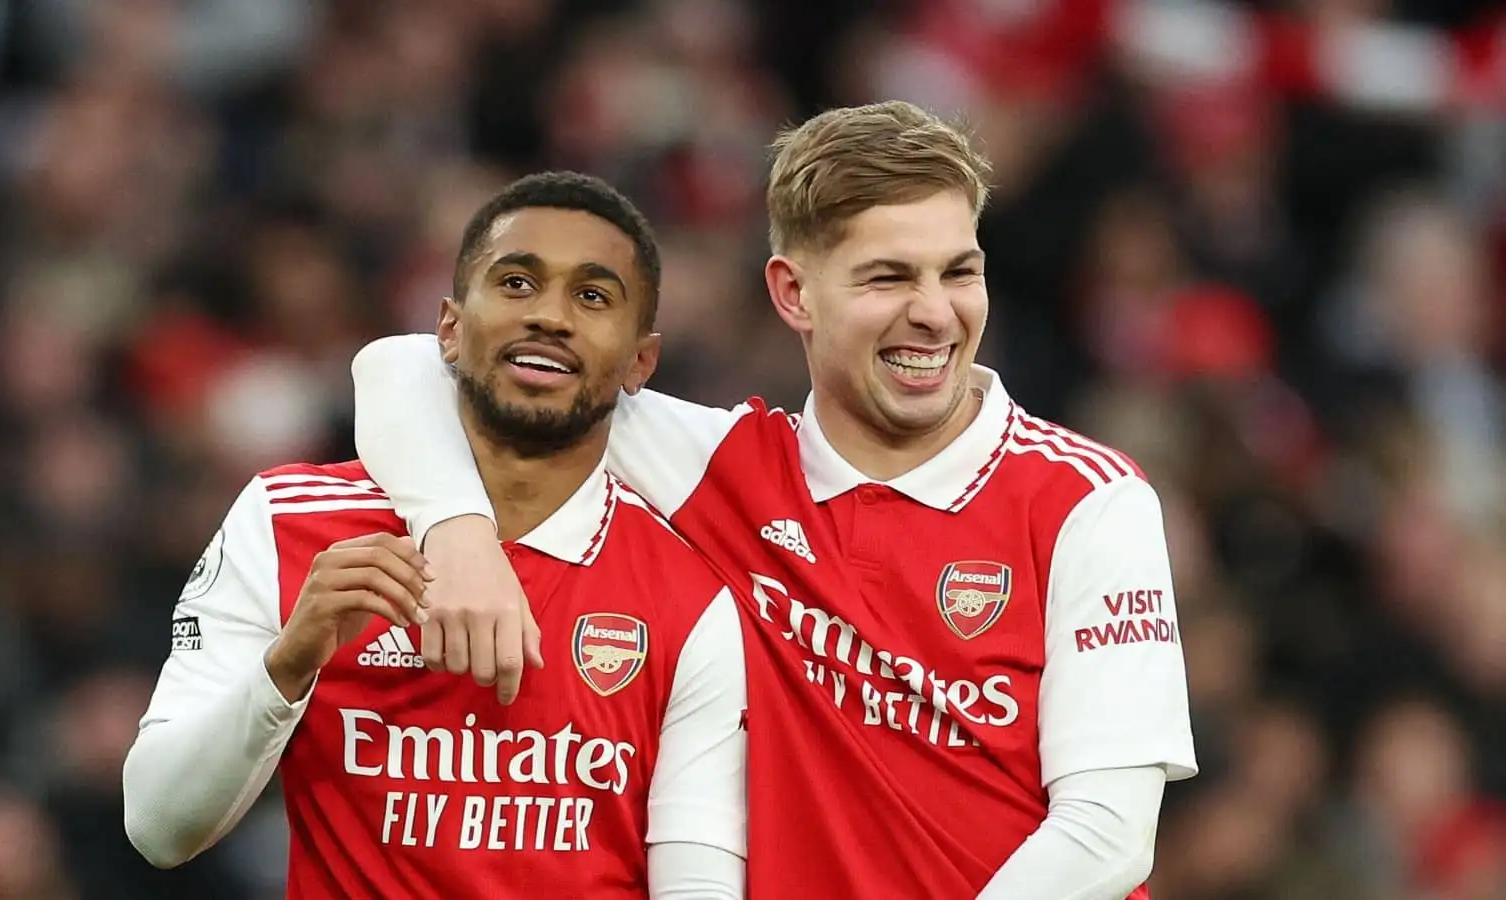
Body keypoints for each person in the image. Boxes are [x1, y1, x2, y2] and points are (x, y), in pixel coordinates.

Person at [352, 101, 1198, 898]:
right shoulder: (723, 468)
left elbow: (1108, 831)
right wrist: (458, 539)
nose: (935, 313)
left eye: (959, 272)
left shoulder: (1087, 499)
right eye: (888, 278)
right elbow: (406, 366)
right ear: (794, 293)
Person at [123, 172, 748, 899]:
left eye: (592, 296)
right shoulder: (289, 519)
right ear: (448, 327)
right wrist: (290, 661)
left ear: (643, 361)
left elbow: (694, 878)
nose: (549, 315)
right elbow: (157, 825)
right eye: (516, 283)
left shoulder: (694, 588)